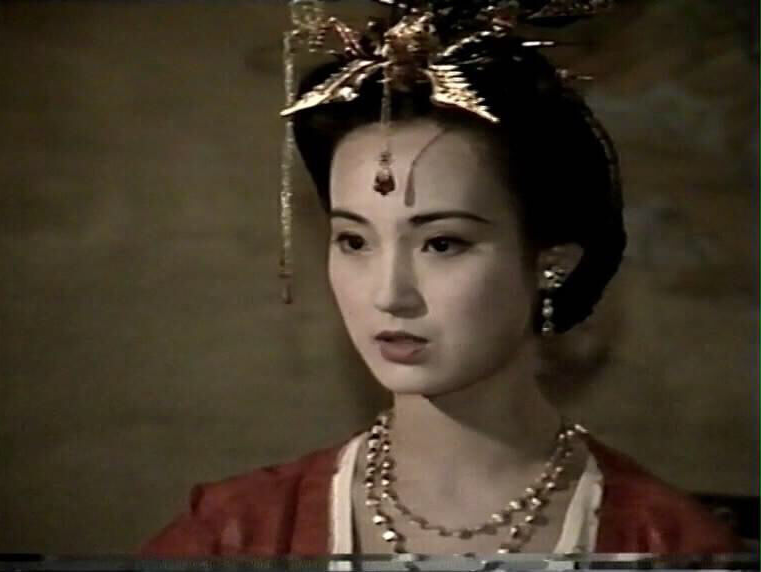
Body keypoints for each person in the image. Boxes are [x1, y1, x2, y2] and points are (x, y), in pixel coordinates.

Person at [140, 0, 741, 560]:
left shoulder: (670, 546)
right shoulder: (236, 535)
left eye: (442, 243)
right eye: (355, 241)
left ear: (549, 260)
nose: (389, 294)